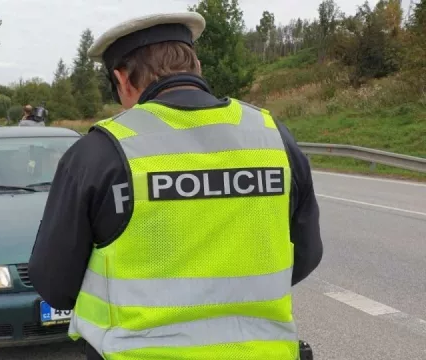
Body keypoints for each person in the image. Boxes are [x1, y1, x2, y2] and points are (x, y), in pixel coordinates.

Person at [28, 12, 323, 360]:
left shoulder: (101, 151)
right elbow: (305, 255)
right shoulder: (272, 136)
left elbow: (54, 284)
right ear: (195, 66)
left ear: (122, 80)